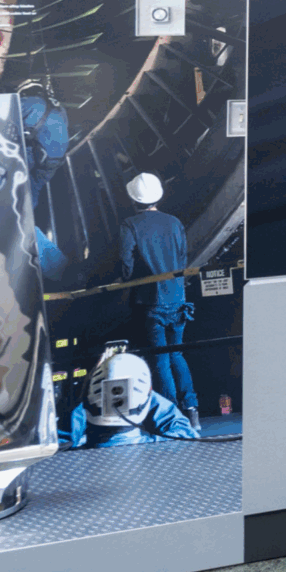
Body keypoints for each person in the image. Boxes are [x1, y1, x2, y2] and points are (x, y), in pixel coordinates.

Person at [117, 172, 198, 421]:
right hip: (178, 297)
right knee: (177, 355)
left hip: (151, 301)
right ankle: (192, 411)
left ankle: (173, 416)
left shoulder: (130, 225)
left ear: (133, 199)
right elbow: (183, 257)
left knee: (161, 359)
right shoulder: (174, 222)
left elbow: (125, 263)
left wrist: (127, 279)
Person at [65, 349, 198, 448]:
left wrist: (89, 386)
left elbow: (62, 439)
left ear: (88, 404)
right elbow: (185, 431)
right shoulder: (167, 448)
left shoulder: (64, 460)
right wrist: (142, 390)